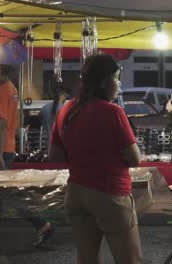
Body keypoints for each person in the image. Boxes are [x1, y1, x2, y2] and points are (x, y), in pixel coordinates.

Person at [48, 54, 144, 264]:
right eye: (116, 78)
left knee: (87, 259)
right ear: (103, 82)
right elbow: (135, 158)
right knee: (130, 260)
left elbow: (54, 155)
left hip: (76, 195)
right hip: (110, 196)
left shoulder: (67, 109)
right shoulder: (113, 112)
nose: (118, 84)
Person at [0, 64, 55, 247]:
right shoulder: (11, 88)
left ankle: (43, 224)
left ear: (1, 69)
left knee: (9, 193)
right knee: (8, 193)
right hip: (5, 148)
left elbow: (2, 124)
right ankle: (43, 225)